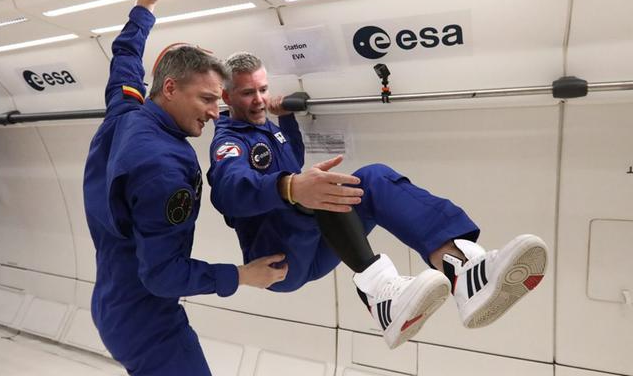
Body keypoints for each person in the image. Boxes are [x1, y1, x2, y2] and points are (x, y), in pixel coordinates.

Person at [207, 52, 548, 349]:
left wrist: (286, 118)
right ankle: (383, 290)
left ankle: (463, 272)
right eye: (248, 92)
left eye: (263, 89)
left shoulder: (267, 125)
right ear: (226, 95)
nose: (259, 100)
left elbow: (290, 156)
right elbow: (229, 191)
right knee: (327, 192)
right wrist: (292, 188)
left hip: (319, 244)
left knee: (372, 180)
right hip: (278, 261)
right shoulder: (229, 142)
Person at [82, 0, 287, 376]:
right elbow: (161, 275)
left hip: (111, 301)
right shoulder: (163, 168)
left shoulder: (125, 109)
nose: (216, 113)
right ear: (170, 88)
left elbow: (124, 56)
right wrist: (242, 276)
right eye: (207, 100)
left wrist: (146, 4)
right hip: (146, 319)